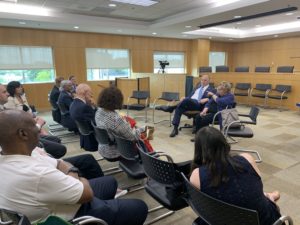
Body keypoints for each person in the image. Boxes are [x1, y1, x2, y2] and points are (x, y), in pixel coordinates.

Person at [0, 109, 148, 225]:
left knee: (110, 182)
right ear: (23, 134)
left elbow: (58, 163)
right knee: (139, 207)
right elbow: (86, 193)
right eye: (34, 124)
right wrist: (73, 172)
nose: (38, 128)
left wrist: (69, 172)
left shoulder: (15, 155)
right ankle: (106, 211)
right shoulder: (36, 174)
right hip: (72, 215)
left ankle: (108, 208)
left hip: (58, 198)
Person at [190, 126, 281, 225]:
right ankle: (270, 196)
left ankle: (270, 196)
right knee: (259, 195)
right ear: (224, 143)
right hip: (264, 220)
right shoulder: (247, 158)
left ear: (199, 150)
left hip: (222, 220)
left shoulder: (196, 175)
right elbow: (256, 185)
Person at [0, 83, 67, 158]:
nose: (8, 94)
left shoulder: (5, 106)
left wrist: (33, 120)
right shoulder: (5, 111)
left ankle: (49, 161)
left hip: (25, 131)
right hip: (21, 141)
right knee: (60, 149)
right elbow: (18, 132)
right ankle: (49, 162)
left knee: (56, 140)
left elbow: (26, 111)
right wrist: (38, 125)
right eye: (4, 92)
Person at [95, 87, 152, 160]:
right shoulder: (116, 119)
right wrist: (142, 128)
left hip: (103, 148)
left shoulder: (99, 111)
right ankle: (147, 157)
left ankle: (147, 152)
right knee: (148, 129)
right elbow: (133, 137)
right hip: (116, 152)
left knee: (137, 129)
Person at [70, 83, 98, 151]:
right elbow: (97, 121)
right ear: (84, 93)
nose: (91, 95)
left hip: (84, 137)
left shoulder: (73, 104)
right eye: (90, 93)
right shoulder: (84, 107)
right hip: (93, 139)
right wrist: (95, 107)